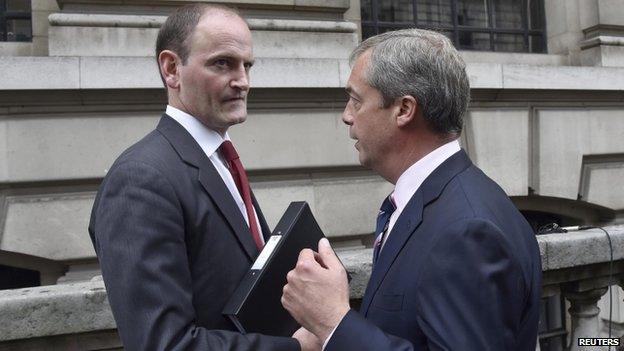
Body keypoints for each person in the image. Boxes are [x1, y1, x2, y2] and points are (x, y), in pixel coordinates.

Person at [281, 28, 542, 351]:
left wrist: (334, 323)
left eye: (356, 100)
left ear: (404, 110)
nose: (346, 116)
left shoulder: (467, 231)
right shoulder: (433, 201)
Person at [89, 4, 300, 350]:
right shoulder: (140, 180)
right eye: (222, 63)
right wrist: (295, 348)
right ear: (172, 69)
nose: (243, 81)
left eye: (247, 65)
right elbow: (161, 343)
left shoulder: (220, 159)